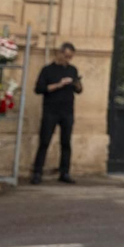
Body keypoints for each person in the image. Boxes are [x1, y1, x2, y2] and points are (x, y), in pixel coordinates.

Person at [31, 42, 82, 184]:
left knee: (66, 142)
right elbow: (38, 89)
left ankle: (64, 172)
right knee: (45, 141)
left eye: (70, 57)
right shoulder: (47, 70)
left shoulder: (73, 70)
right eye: (66, 56)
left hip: (67, 111)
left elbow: (78, 90)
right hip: (51, 111)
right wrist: (59, 84)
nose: (68, 60)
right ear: (59, 54)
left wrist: (77, 84)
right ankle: (37, 172)